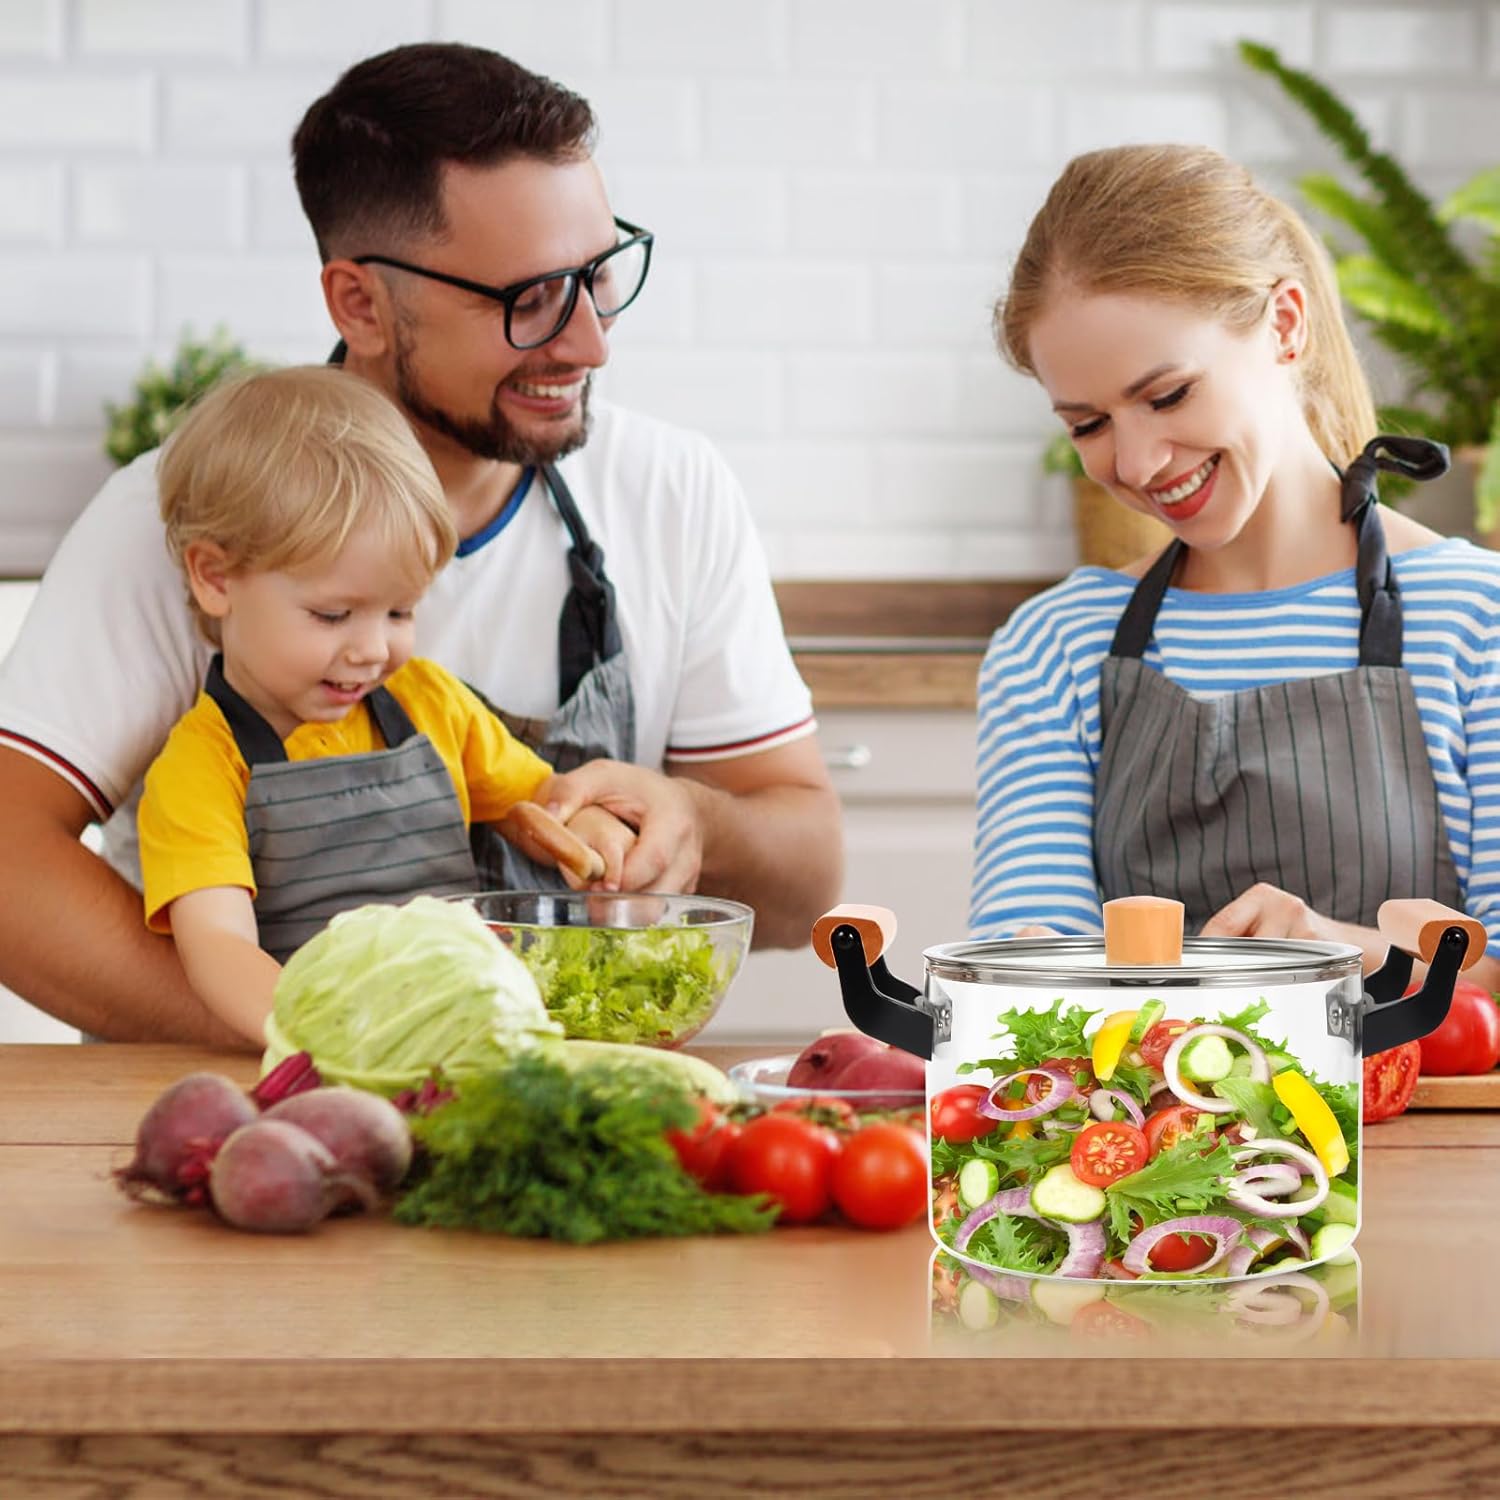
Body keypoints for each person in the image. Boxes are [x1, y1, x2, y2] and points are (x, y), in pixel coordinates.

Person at [0, 43, 841, 1045]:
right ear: (359, 303)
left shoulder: (671, 490)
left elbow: (807, 884)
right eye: (528, 301)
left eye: (599, 276)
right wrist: (343, 1042)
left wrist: (698, 823)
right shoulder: (183, 512)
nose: (589, 344)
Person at [970, 143, 1500, 990]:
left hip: (1424, 1125)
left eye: (1168, 394)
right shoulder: (1056, 646)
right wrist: (1018, 964)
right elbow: (1028, 968)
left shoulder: (1477, 622)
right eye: (1088, 424)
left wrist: (1325, 945)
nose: (1138, 462)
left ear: (1286, 325)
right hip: (1139, 1124)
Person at [140, 365, 631, 1043]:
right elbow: (218, 949)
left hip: (469, 1035)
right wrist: (337, 1040)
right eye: (334, 613)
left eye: (400, 610)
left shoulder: (429, 702)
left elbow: (544, 801)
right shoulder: (201, 769)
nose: (373, 649)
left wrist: (597, 835)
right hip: (325, 1060)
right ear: (216, 578)